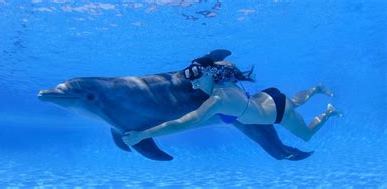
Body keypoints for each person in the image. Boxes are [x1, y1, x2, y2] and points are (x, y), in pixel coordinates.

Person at [122, 56, 341, 146]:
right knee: (294, 101)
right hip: (269, 97)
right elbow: (225, 64)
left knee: (307, 136)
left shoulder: (219, 98)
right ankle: (317, 88)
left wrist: (143, 134)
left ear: (208, 74)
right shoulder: (223, 79)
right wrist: (205, 65)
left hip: (277, 112)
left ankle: (328, 112)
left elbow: (185, 122)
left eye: (196, 79)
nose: (193, 85)